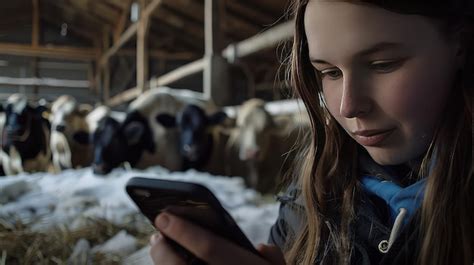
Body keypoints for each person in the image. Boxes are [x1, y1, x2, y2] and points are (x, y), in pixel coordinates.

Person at [148, 0, 473, 264]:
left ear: (460, 44)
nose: (348, 106)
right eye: (328, 72)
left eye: (382, 64)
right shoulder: (314, 186)